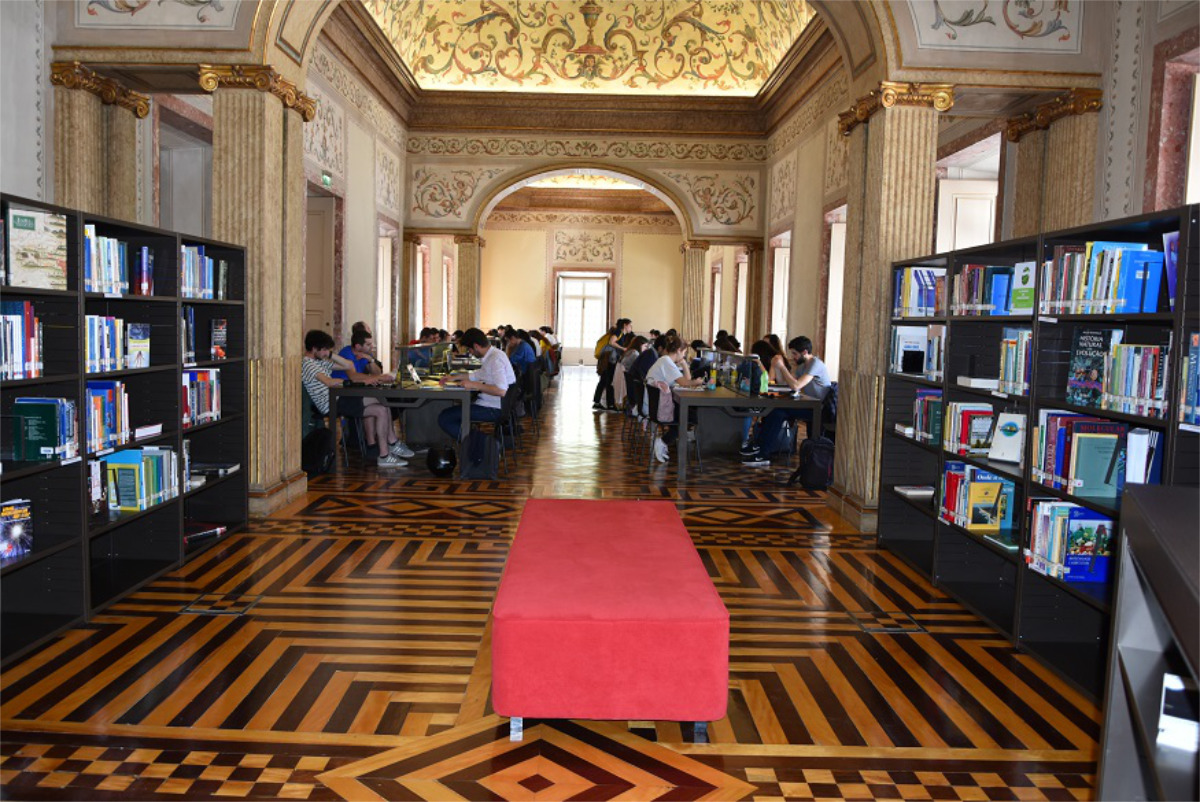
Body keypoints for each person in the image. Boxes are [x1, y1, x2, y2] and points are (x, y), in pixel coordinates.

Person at [306, 330, 411, 468]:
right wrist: (352, 383)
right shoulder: (308, 364)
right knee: (381, 402)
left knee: (383, 406)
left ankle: (386, 451)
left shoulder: (319, 362)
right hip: (332, 402)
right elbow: (329, 382)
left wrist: (330, 354)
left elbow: (348, 365)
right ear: (314, 349)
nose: (326, 353)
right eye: (325, 349)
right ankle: (390, 446)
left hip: (339, 398)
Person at [742, 335, 831, 465]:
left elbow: (796, 385)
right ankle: (762, 450)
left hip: (820, 410)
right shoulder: (802, 366)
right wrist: (776, 367)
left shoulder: (815, 364)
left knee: (779, 410)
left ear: (804, 352)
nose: (793, 357)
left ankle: (762, 450)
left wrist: (782, 367)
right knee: (777, 411)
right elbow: (786, 384)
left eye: (795, 354)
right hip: (810, 405)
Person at [437, 327, 516, 440]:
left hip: (494, 409)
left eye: (469, 349)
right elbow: (477, 375)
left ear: (476, 346)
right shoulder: (492, 355)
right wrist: (454, 377)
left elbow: (501, 390)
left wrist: (475, 385)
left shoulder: (495, 359)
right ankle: (478, 442)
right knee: (452, 412)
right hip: (493, 405)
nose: (470, 353)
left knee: (445, 418)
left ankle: (483, 444)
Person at [645, 334, 705, 463]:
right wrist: (698, 382)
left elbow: (686, 380)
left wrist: (683, 363)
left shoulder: (664, 360)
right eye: (683, 353)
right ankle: (664, 441)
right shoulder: (666, 362)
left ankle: (672, 437)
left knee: (688, 413)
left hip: (657, 404)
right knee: (692, 416)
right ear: (678, 350)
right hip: (660, 408)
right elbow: (686, 383)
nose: (683, 356)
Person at [593, 318, 632, 411]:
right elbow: (611, 342)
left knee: (604, 380)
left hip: (607, 359)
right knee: (609, 381)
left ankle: (597, 402)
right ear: (625, 325)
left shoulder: (619, 332)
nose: (631, 327)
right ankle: (610, 404)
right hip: (610, 360)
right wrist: (623, 349)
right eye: (630, 325)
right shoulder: (619, 332)